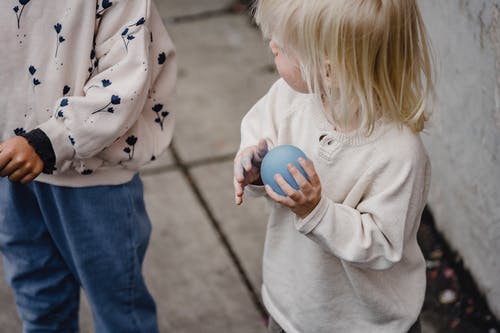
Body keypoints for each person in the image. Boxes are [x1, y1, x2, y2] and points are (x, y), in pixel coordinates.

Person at [233, 0, 434, 332]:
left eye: (283, 47)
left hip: (365, 321)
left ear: (328, 69)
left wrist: (317, 211)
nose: (272, 46)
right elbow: (258, 133)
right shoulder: (289, 98)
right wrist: (253, 166)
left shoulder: (398, 154)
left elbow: (383, 245)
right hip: (294, 305)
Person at [0, 0, 176, 332]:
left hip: (93, 180)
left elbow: (126, 77)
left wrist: (50, 140)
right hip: (11, 174)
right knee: (38, 299)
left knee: (118, 304)